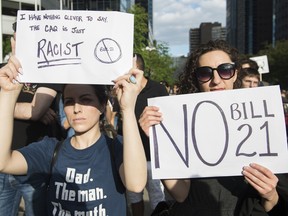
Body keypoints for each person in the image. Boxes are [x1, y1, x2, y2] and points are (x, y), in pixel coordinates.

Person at [138, 40, 288, 215]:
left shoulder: (262, 122)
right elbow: (180, 194)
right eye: (205, 73)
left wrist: (270, 196)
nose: (216, 80)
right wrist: (160, 140)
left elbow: (272, 206)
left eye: (225, 70)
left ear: (234, 74)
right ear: (196, 78)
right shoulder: (182, 123)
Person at [0, 45, 147, 215]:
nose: (76, 108)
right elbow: (3, 162)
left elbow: (136, 184)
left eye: (85, 100)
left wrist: (127, 109)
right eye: (69, 101)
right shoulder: (49, 149)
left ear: (101, 105)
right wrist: (7, 94)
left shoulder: (117, 148)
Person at [0, 29, 63, 215]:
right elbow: (32, 111)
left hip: (33, 165)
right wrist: (29, 110)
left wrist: (6, 103)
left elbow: (35, 112)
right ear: (12, 42)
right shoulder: (3, 71)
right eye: (20, 39)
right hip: (2, 161)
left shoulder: (49, 72)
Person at [126, 53, 168, 216]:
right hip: (131, 156)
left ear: (138, 69)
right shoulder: (125, 90)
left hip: (153, 156)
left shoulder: (158, 88)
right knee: (134, 199)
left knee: (157, 198)